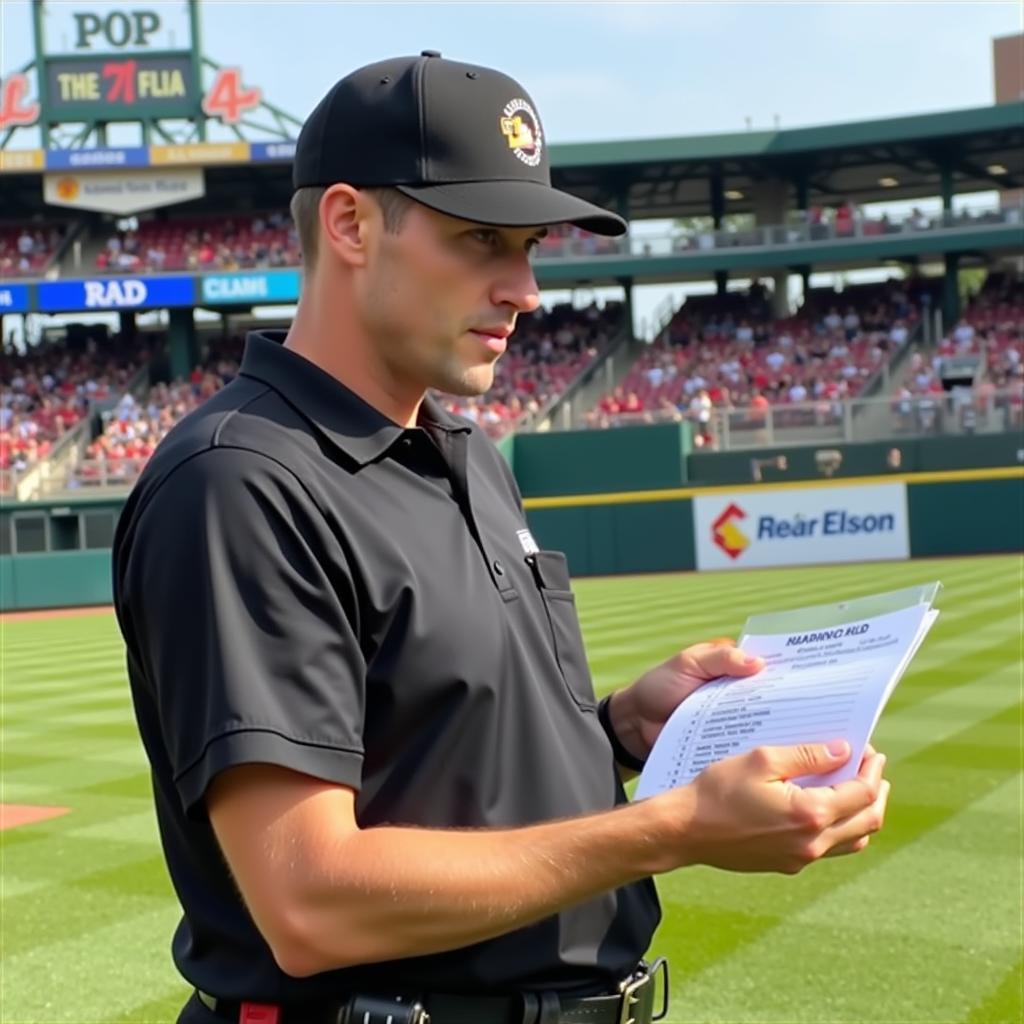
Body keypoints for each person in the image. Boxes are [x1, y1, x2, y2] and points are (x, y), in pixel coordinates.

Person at [112, 53, 890, 1024]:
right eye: (481, 238)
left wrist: (620, 730)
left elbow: (438, 760)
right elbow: (311, 900)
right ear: (350, 224)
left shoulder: (462, 448)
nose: (524, 288)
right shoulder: (240, 478)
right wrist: (672, 827)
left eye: (527, 245)